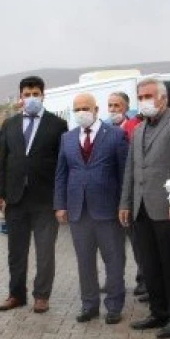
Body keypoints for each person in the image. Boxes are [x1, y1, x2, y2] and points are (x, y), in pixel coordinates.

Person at [119, 77, 170, 339]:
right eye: (140, 97)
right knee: (149, 264)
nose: (144, 102)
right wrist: (126, 202)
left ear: (163, 98)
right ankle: (158, 311)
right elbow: (131, 168)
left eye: (149, 96)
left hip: (167, 207)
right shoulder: (138, 129)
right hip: (141, 207)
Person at [0, 76, 68, 314]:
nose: (31, 98)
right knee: (16, 251)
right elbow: (3, 161)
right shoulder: (10, 124)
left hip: (45, 199)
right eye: (27, 94)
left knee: (45, 252)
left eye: (36, 93)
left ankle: (42, 295)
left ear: (43, 95)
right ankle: (16, 294)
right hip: (16, 199)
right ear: (21, 97)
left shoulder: (57, 124)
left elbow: (61, 165)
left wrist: (60, 199)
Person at [54, 93, 129, 324]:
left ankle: (114, 306)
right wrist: (60, 205)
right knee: (84, 261)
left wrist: (124, 204)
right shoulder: (67, 138)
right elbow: (61, 174)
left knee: (113, 260)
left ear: (96, 110)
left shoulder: (116, 135)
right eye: (77, 109)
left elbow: (125, 173)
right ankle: (89, 305)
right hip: (78, 210)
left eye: (85, 108)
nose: (81, 113)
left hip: (108, 210)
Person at [109, 91, 146, 301]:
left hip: (132, 195)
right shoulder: (105, 128)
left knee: (137, 241)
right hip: (112, 195)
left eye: (117, 106)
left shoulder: (134, 128)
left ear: (126, 107)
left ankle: (144, 279)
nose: (113, 110)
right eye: (111, 106)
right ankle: (115, 279)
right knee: (114, 243)